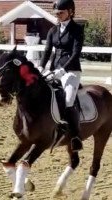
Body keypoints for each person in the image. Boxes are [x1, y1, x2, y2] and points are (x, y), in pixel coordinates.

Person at [37, 0, 84, 152]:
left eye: (60, 13)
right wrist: (40, 67)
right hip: (53, 69)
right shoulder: (53, 30)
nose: (57, 16)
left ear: (70, 12)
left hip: (71, 71)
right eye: (56, 13)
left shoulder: (77, 30)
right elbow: (47, 50)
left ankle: (75, 136)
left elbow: (76, 53)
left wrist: (63, 70)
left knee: (69, 100)